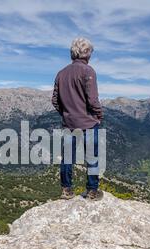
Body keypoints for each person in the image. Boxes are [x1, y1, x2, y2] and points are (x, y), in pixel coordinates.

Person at [52, 37, 104, 201]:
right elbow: (93, 99)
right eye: (91, 52)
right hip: (89, 123)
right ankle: (92, 191)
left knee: (67, 158)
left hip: (69, 124)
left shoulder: (61, 74)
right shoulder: (88, 71)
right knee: (92, 158)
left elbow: (55, 100)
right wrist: (98, 115)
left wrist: (66, 113)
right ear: (87, 53)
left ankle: (66, 190)